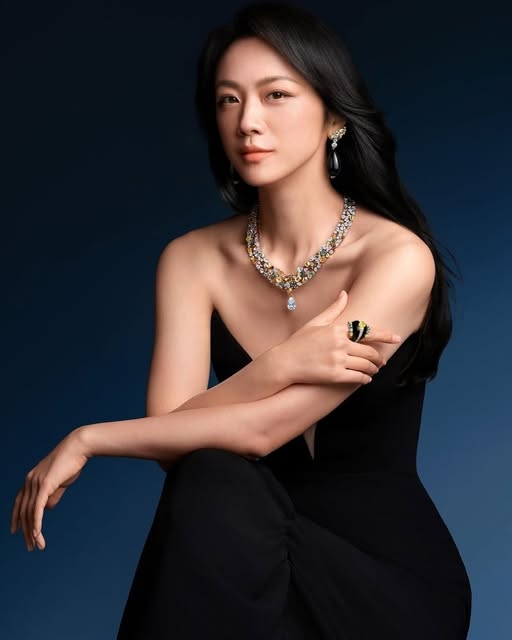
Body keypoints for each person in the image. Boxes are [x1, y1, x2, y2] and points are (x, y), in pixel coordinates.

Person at [11, 2, 472, 638]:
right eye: (229, 100)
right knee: (208, 475)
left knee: (214, 472)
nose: (248, 121)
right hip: (239, 551)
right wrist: (277, 366)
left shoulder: (395, 260)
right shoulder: (191, 260)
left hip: (381, 575)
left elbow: (259, 431)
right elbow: (171, 438)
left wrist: (90, 438)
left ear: (335, 116)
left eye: (276, 95)